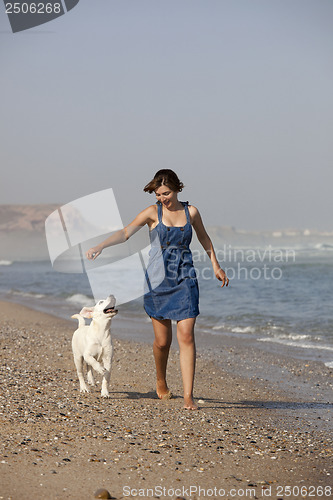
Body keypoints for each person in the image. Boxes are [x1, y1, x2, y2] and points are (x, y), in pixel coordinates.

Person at [86, 169, 229, 410]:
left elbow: (204, 238)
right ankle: (160, 381)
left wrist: (216, 264)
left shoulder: (191, 212)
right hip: (157, 281)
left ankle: (188, 397)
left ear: (177, 188)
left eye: (166, 193)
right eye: (158, 194)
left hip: (185, 278)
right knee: (163, 342)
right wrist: (101, 246)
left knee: (186, 336)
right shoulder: (153, 212)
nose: (162, 198)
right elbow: (125, 233)